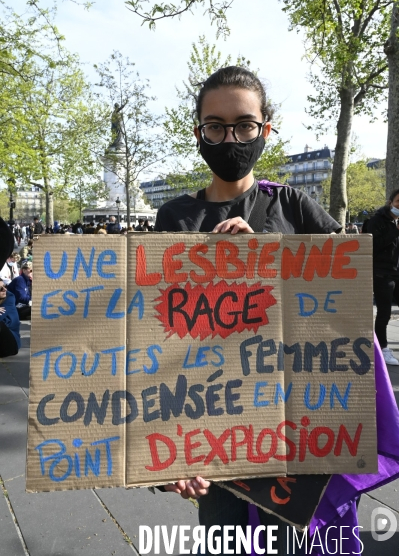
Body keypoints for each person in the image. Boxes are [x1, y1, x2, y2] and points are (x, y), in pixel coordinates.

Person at [154, 66, 341, 554]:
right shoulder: (175, 217)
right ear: (198, 133)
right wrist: (172, 450)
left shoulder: (296, 207)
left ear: (266, 129)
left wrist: (270, 263)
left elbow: (344, 303)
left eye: (244, 125)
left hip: (291, 423)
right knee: (224, 542)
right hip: (210, 424)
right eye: (215, 126)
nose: (230, 138)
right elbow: (157, 337)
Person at [367, 189, 399, 366]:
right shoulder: (377, 221)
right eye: (398, 202)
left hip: (397, 272)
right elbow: (373, 246)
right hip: (382, 273)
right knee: (384, 313)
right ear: (390, 203)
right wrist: (395, 232)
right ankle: (383, 349)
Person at [0, 281, 21, 357]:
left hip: (10, 342)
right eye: (1, 288)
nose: (5, 289)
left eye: (5, 286)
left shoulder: (9, 297)